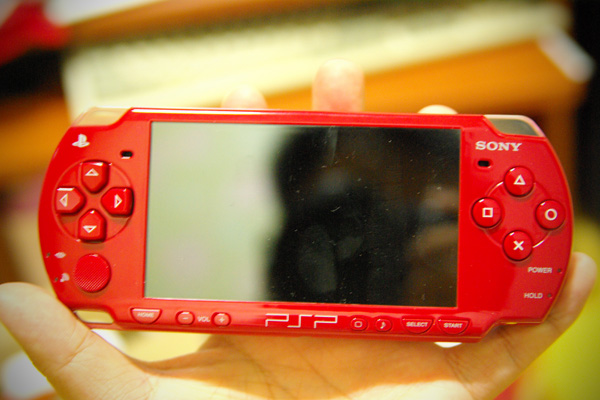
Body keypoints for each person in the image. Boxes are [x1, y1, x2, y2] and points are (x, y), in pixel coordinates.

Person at [0, 60, 596, 400]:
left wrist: (442, 292)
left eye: (379, 207)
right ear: (289, 230)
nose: (355, 235)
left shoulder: (444, 296)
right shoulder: (285, 271)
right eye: (326, 215)